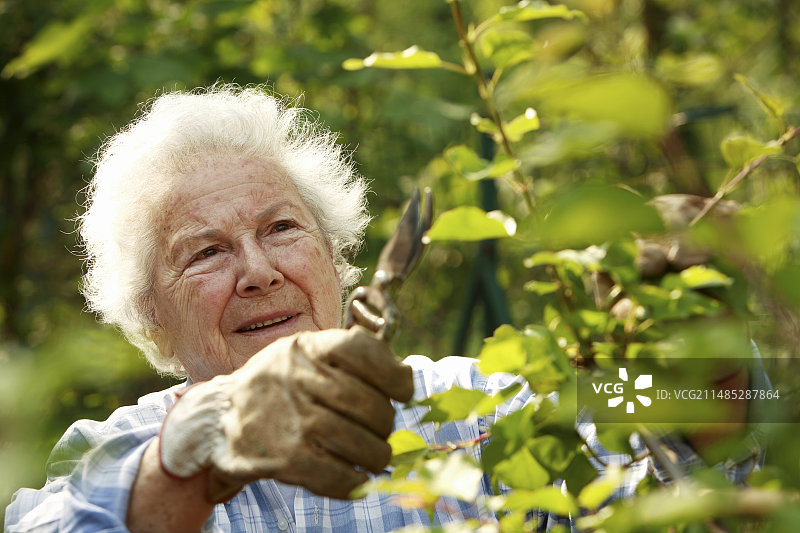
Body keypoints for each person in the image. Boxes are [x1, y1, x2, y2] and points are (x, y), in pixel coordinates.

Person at [5, 85, 764, 533]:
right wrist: (196, 456)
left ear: (337, 263)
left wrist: (708, 351)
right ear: (150, 317)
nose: (259, 271)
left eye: (281, 229)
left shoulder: (478, 403)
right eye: (206, 252)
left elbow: (711, 426)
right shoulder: (125, 453)